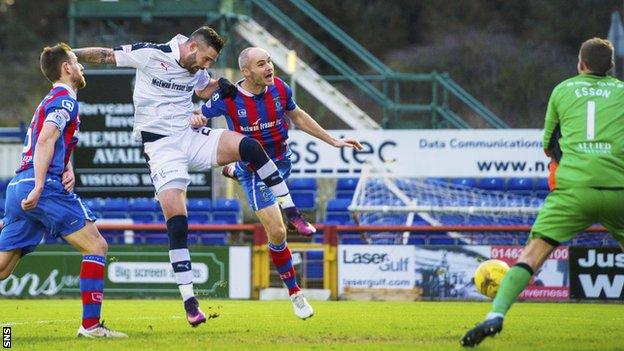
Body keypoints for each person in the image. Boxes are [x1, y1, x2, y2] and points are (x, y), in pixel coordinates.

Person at [73, 27, 316, 327]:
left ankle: (292, 211)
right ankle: (190, 302)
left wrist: (220, 86)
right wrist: (71, 55)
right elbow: (107, 55)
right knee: (178, 221)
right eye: (206, 59)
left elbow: (203, 90)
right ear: (191, 47)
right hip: (161, 146)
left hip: (190, 135)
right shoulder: (152, 54)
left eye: (211, 61)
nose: (207, 65)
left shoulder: (199, 67)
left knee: (249, 146)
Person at [460, 37, 624, 347]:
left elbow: (548, 144)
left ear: (581, 64)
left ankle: (495, 315)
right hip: (619, 189)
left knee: (531, 256)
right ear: (612, 67)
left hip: (574, 190)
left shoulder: (562, 90)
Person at [192, 47, 363, 319]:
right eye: (261, 64)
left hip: (282, 162)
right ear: (246, 72)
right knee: (279, 232)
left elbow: (298, 116)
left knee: (275, 213)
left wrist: (333, 141)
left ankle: (233, 171)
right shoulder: (228, 98)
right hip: (255, 171)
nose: (269, 67)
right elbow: (198, 114)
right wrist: (196, 116)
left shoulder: (280, 88)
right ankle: (296, 294)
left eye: (269, 61)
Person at [0, 43, 126, 338]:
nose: (82, 67)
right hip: (40, 186)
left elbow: (53, 143)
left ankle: (91, 325)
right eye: (76, 63)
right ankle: (91, 326)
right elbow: (45, 140)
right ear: (67, 68)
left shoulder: (50, 99)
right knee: (96, 246)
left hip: (20, 184)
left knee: (3, 268)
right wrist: (43, 184)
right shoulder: (65, 100)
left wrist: (66, 166)